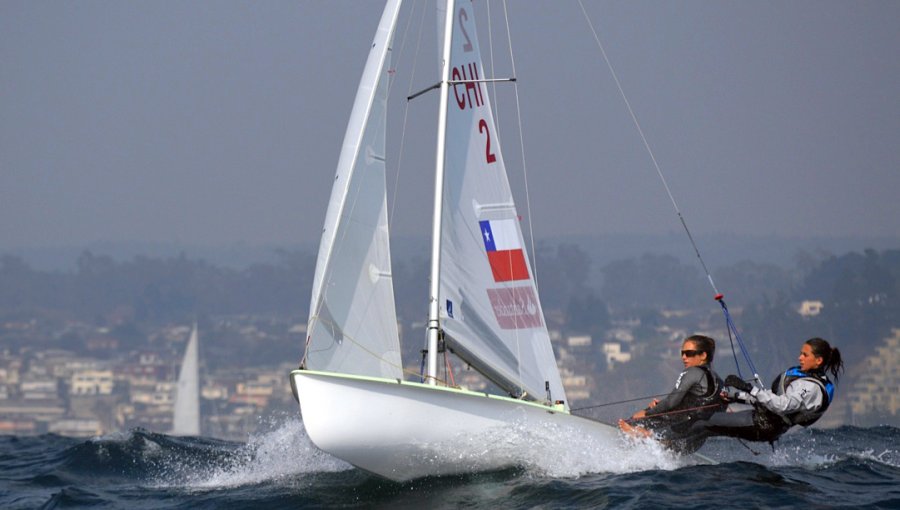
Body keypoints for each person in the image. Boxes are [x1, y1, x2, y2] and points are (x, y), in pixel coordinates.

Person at [685, 337, 843, 444]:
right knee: (709, 428)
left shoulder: (810, 387)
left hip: (763, 425)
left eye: (805, 355)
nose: (800, 358)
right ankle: (673, 453)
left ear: (818, 360)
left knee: (703, 422)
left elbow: (782, 405)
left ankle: (667, 451)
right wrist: (736, 396)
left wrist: (748, 388)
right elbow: (770, 400)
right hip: (764, 421)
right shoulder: (809, 380)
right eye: (801, 353)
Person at [618, 334, 727, 454]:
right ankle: (655, 440)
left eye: (689, 353)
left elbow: (671, 402)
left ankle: (645, 435)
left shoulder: (693, 372)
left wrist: (647, 413)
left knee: (631, 422)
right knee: (661, 415)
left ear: (703, 355)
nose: (684, 357)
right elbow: (706, 407)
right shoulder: (720, 381)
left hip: (680, 429)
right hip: (694, 443)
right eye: (682, 353)